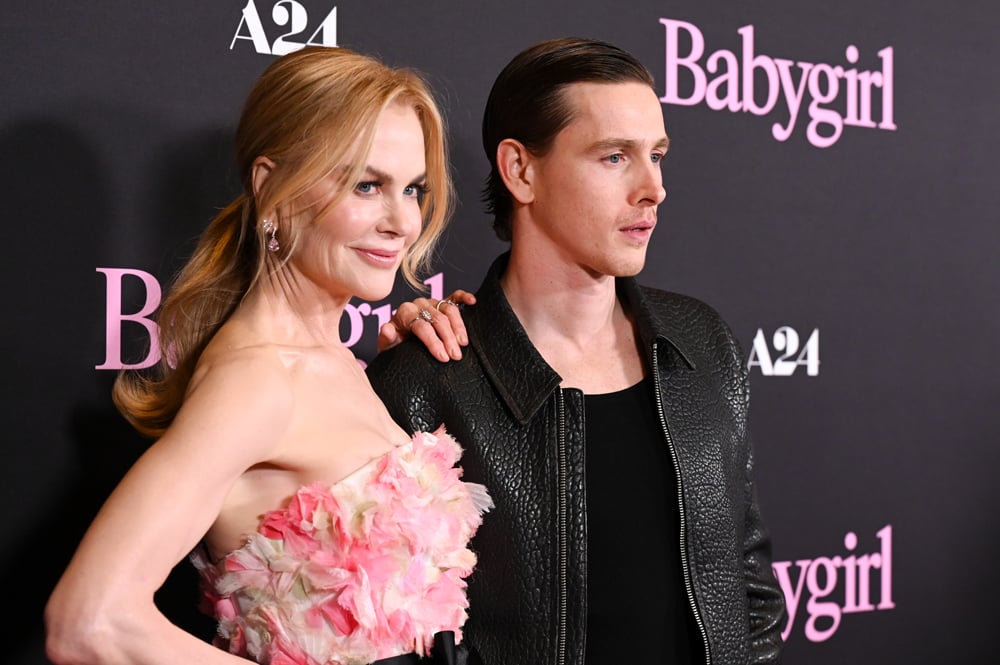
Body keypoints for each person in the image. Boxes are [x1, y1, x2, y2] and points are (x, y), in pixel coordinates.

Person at [44, 46, 491, 665]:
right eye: (367, 184)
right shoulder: (257, 381)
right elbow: (89, 622)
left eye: (413, 188)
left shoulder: (335, 359)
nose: (402, 221)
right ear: (273, 191)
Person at [367, 37, 787, 664]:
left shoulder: (699, 342)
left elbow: (748, 592)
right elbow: (399, 638)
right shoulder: (426, 379)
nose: (654, 189)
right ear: (520, 171)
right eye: (615, 157)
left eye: (658, 155)